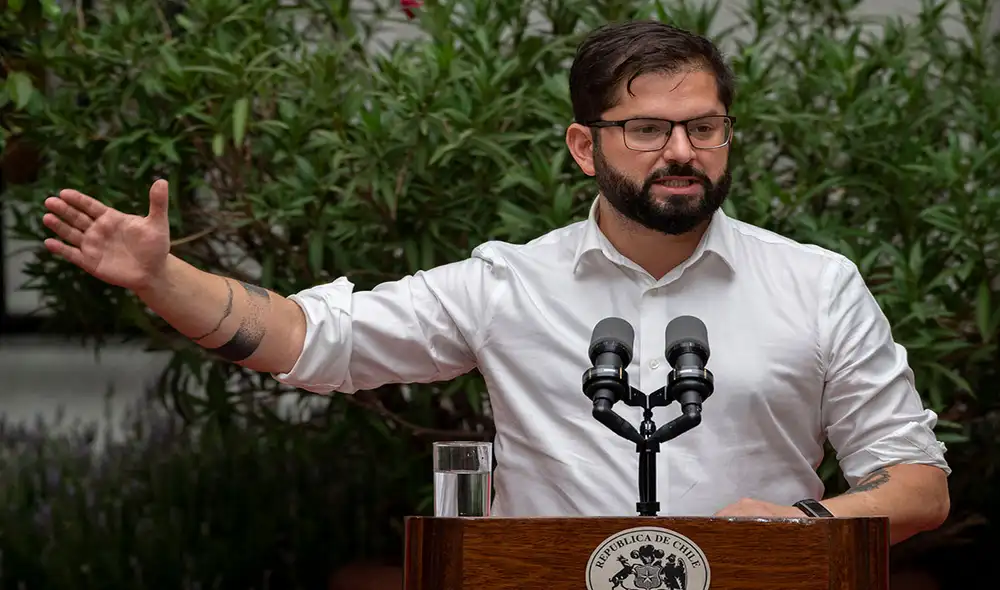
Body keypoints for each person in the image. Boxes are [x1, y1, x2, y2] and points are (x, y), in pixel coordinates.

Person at [40, 20, 949, 544]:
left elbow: (916, 486)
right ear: (584, 144)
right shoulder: (507, 285)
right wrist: (164, 279)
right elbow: (311, 342)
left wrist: (800, 526)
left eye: (704, 128)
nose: (681, 152)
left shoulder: (818, 285)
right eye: (647, 129)